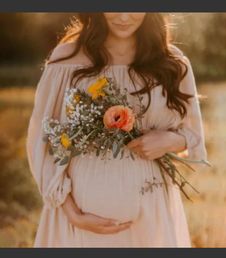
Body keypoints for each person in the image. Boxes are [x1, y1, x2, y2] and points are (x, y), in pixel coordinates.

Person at [26, 13, 208, 247]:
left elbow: (193, 135)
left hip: (151, 217)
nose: (124, 16)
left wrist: (169, 140)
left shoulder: (172, 62)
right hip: (79, 222)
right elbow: (41, 139)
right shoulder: (67, 59)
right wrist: (72, 213)